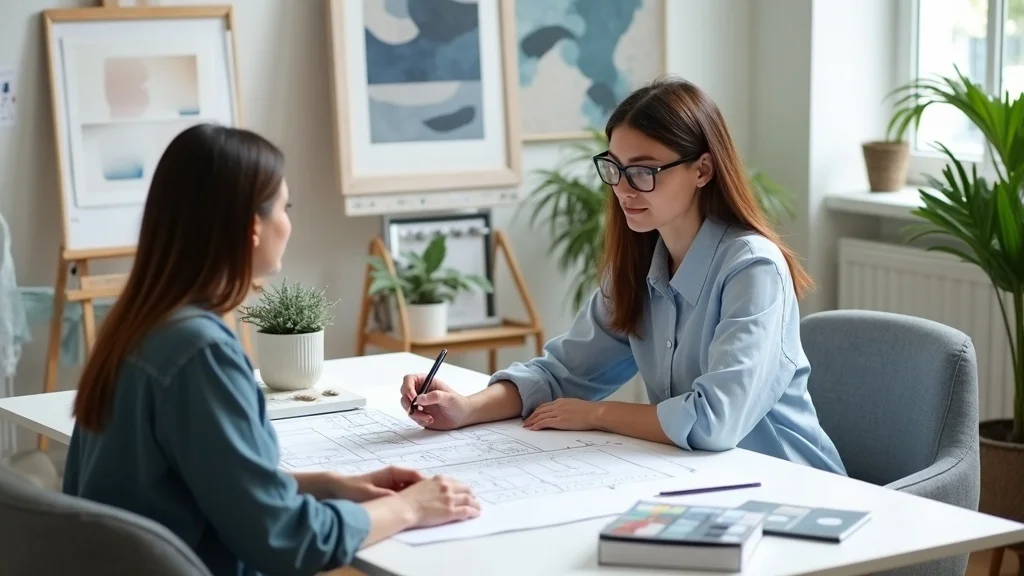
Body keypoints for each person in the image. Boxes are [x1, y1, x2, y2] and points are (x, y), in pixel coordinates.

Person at [63, 124, 481, 576]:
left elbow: (196, 484)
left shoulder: (136, 325)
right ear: (252, 228)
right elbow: (285, 539)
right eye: (286, 206)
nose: (289, 222)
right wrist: (412, 509)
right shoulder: (199, 353)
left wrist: (329, 485)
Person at [400, 77, 847, 476]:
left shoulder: (753, 268)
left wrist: (596, 415)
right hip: (702, 482)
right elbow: (561, 374)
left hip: (794, 487)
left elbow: (714, 421)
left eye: (644, 170)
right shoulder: (639, 267)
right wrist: (465, 408)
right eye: (615, 168)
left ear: (702, 170)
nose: (624, 189)